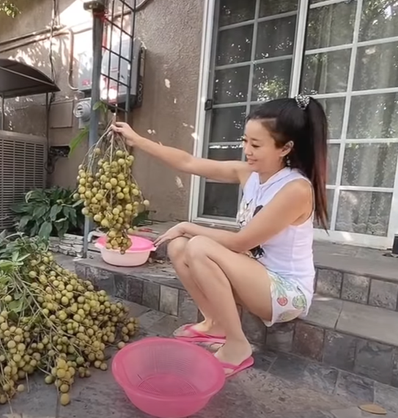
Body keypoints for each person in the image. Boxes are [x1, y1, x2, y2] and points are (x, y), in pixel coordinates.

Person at [110, 94, 329, 377]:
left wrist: (189, 226)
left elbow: (241, 242)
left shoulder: (296, 190)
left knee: (198, 245)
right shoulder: (248, 173)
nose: (246, 150)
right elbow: (188, 162)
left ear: (285, 147)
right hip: (255, 274)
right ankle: (216, 323)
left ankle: (238, 345)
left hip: (286, 292)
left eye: (256, 144)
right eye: (245, 140)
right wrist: (137, 140)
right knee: (178, 247)